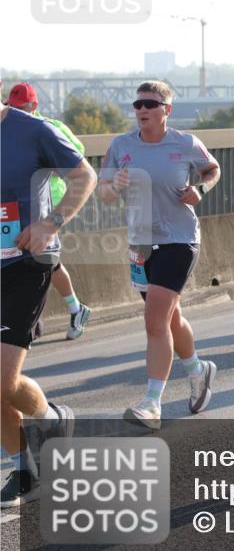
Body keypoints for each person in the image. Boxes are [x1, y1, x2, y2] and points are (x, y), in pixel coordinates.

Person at [97, 81, 220, 429]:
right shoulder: (120, 146)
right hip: (140, 243)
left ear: (167, 110)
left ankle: (152, 403)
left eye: (150, 104)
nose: (142, 110)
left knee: (154, 321)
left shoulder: (185, 143)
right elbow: (102, 194)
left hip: (179, 239)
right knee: (168, 317)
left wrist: (201, 188)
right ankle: (198, 370)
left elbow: (212, 169)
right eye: (137, 104)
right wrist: (114, 187)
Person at [1, 81, 96, 507]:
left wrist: (50, 223)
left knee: (1, 380)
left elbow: (84, 175)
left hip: (24, 265)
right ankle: (25, 467)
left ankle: (50, 418)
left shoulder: (33, 130)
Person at [5, 83, 92, 339]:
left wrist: (52, 164)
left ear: (35, 106)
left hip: (50, 206)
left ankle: (74, 309)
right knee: (51, 266)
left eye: (23, 108)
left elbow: (79, 157)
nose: (19, 111)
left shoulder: (47, 127)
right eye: (14, 107)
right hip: (15, 224)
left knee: (48, 263)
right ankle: (60, 312)